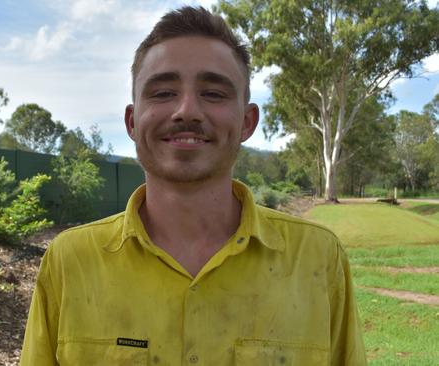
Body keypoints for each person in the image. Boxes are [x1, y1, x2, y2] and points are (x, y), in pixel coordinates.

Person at [20, 6, 366, 365]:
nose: (187, 111)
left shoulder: (318, 259)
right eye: (163, 92)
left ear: (247, 122)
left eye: (213, 94)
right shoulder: (69, 263)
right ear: (132, 121)